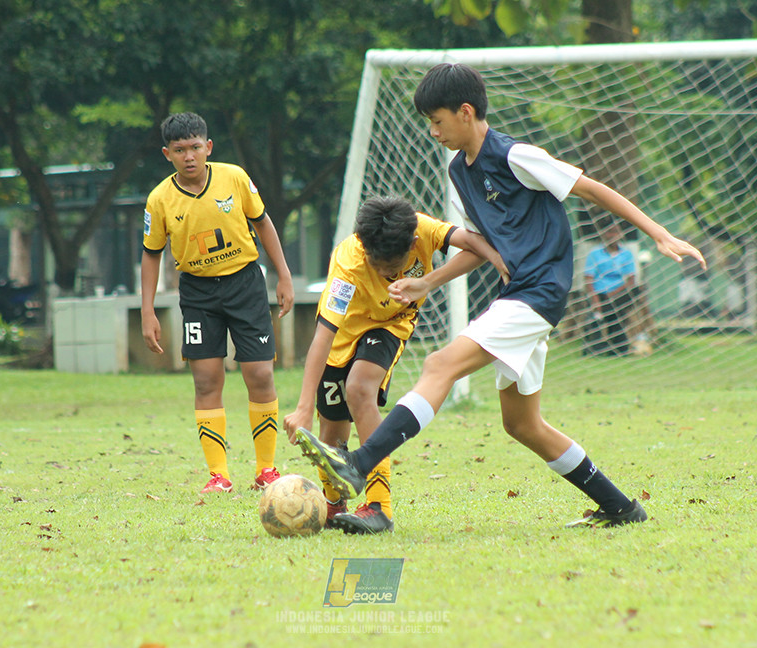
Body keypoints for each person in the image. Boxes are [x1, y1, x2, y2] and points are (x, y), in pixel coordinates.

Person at [293, 63, 706, 528]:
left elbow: (589, 188)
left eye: (437, 121)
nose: (433, 132)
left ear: (465, 112)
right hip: (521, 296)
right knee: (522, 424)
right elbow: (482, 245)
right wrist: (428, 282)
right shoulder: (458, 170)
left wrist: (659, 234)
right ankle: (620, 507)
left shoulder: (515, 156)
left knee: (438, 365)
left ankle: (359, 463)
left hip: (538, 292)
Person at [282, 195, 506, 534]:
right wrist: (302, 409)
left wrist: (487, 264)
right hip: (342, 335)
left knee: (360, 389)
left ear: (413, 242)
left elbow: (478, 245)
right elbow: (323, 336)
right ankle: (333, 505)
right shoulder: (348, 262)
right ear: (363, 246)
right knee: (331, 430)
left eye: (394, 265)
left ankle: (378, 507)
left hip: (389, 325)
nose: (387, 272)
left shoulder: (424, 230)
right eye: (379, 265)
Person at [141, 112, 294, 493]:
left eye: (195, 147)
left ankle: (266, 471)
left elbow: (263, 223)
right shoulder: (159, 199)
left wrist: (284, 275)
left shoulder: (234, 178)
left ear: (208, 147)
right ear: (167, 154)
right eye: (180, 150)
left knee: (259, 375)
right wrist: (148, 311)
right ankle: (219, 476)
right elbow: (151, 254)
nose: (189, 156)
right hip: (197, 292)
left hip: (246, 285)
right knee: (206, 379)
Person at [583, 222, 636, 356]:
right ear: (603, 235)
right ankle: (598, 347)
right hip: (599, 292)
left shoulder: (626, 254)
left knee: (615, 315)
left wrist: (614, 293)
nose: (613, 236)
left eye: (615, 232)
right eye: (609, 232)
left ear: (620, 235)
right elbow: (588, 279)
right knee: (602, 316)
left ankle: (616, 348)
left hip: (618, 293)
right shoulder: (595, 254)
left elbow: (631, 280)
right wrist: (595, 299)